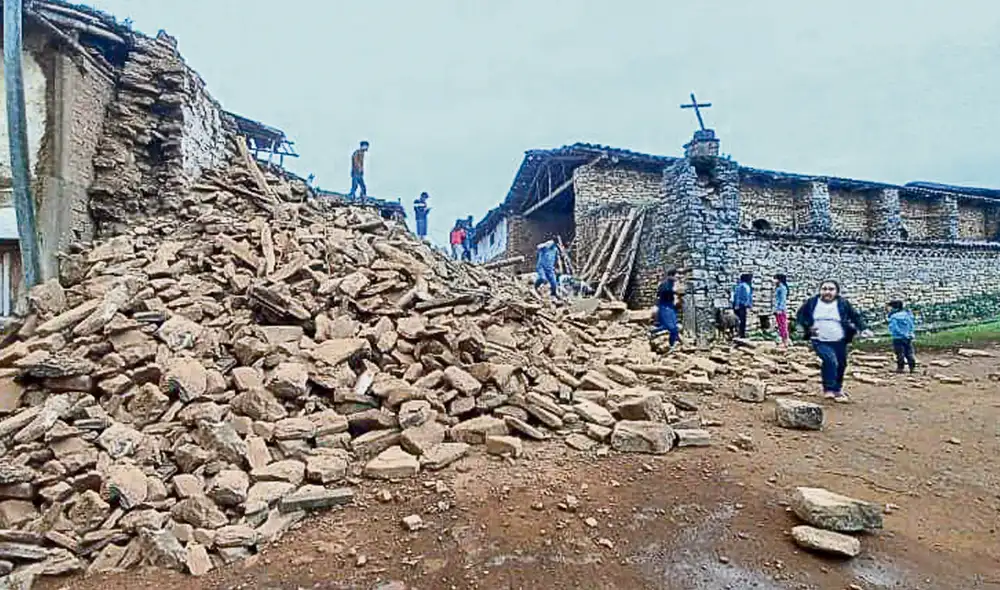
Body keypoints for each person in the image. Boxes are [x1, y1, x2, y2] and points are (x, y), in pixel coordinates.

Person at [795, 280, 872, 402]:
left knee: (841, 364)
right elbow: (800, 315)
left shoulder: (843, 303)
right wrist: (805, 327)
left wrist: (863, 328)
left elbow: (855, 316)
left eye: (831, 289)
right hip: (819, 339)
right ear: (820, 290)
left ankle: (837, 388)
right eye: (824, 289)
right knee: (830, 360)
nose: (827, 292)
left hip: (839, 340)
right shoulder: (812, 302)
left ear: (836, 292)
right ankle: (829, 389)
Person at [887, 300, 917, 373]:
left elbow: (894, 328)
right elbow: (911, 325)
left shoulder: (893, 317)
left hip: (898, 338)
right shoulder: (907, 315)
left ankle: (900, 368)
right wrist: (910, 333)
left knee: (900, 353)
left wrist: (901, 334)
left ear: (894, 308)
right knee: (909, 352)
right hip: (908, 337)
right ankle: (912, 367)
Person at [654, 269, 680, 347]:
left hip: (670, 306)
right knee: (669, 327)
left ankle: (672, 344)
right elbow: (660, 295)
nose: (678, 276)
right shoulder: (665, 284)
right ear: (671, 276)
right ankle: (651, 332)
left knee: (675, 327)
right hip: (665, 306)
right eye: (676, 275)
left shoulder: (672, 284)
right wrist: (674, 292)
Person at [732, 274, 754, 338]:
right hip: (740, 305)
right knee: (740, 320)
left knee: (743, 320)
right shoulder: (740, 286)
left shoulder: (747, 286)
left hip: (743, 305)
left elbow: (749, 296)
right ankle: (740, 333)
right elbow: (737, 296)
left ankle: (742, 333)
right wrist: (737, 305)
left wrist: (749, 304)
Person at [773, 273, 790, 347]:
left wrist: (780, 309)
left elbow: (782, 300)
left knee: (783, 325)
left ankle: (785, 341)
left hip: (781, 310)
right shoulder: (778, 287)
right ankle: (783, 340)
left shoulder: (782, 288)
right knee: (780, 325)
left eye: (775, 278)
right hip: (777, 309)